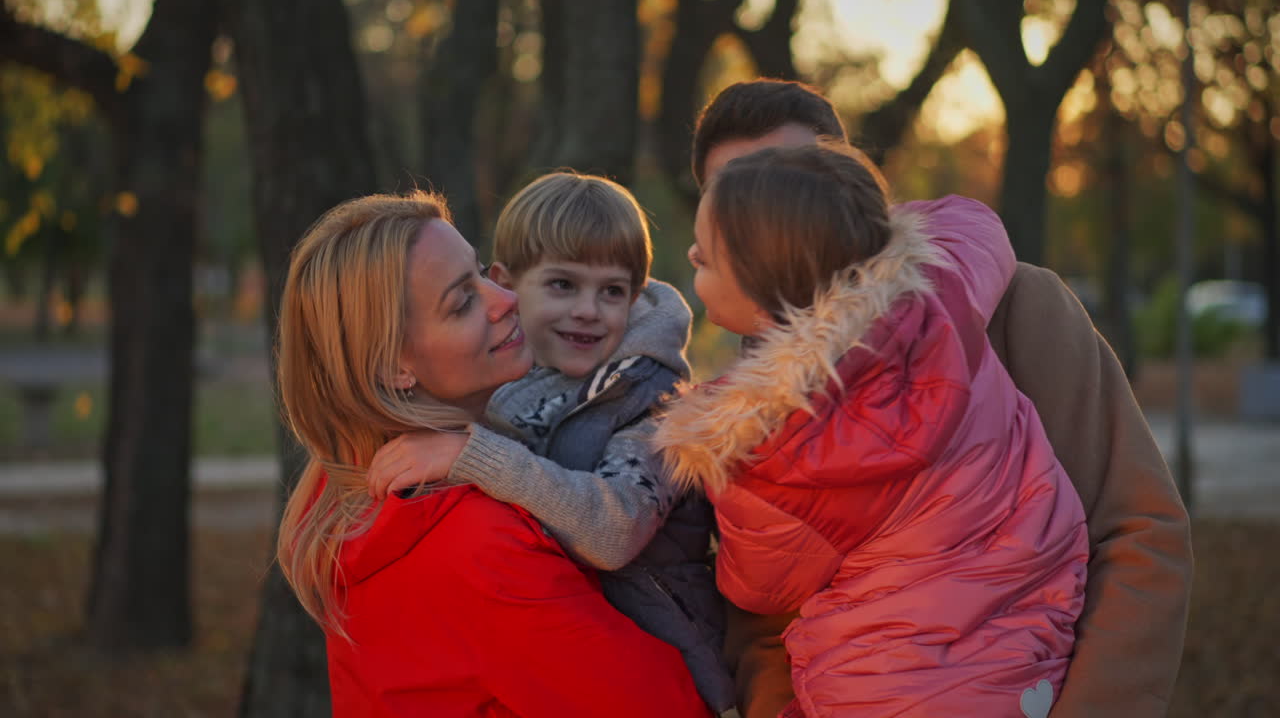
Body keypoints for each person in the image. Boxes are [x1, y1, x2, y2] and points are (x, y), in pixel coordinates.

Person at [689, 78, 1193, 718]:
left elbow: (1140, 531)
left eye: (792, 176)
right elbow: (760, 607)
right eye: (736, 192)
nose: (765, 213)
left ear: (857, 190)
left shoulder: (1024, 309)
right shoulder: (752, 378)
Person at [654, 140, 1090, 716]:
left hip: (885, 681)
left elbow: (758, 588)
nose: (689, 255)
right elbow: (975, 224)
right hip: (1023, 631)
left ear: (764, 304)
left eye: (705, 258)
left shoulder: (767, 452)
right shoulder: (940, 297)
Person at [274, 190, 712, 717]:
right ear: (395, 368)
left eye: (481, 273)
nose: (505, 299)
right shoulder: (482, 549)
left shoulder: (340, 494)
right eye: (462, 302)